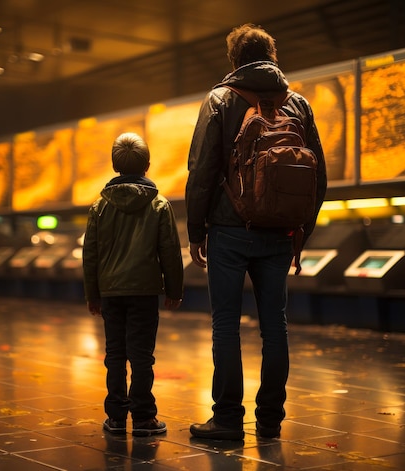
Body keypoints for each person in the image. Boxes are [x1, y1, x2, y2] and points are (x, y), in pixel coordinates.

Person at [185, 24, 327, 440]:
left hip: (230, 231)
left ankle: (228, 419)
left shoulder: (221, 100)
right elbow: (318, 179)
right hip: (281, 234)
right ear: (273, 57)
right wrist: (302, 232)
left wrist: (197, 230)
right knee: (275, 326)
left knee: (226, 325)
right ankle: (270, 420)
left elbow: (202, 170)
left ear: (234, 60)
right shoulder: (298, 104)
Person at [83, 132, 184, 437]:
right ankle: (143, 418)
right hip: (144, 291)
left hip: (111, 292)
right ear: (147, 165)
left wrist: (93, 294)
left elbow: (91, 254)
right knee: (142, 355)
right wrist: (174, 290)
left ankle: (115, 418)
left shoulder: (100, 205)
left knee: (115, 354)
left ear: (115, 165)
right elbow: (169, 250)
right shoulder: (159, 205)